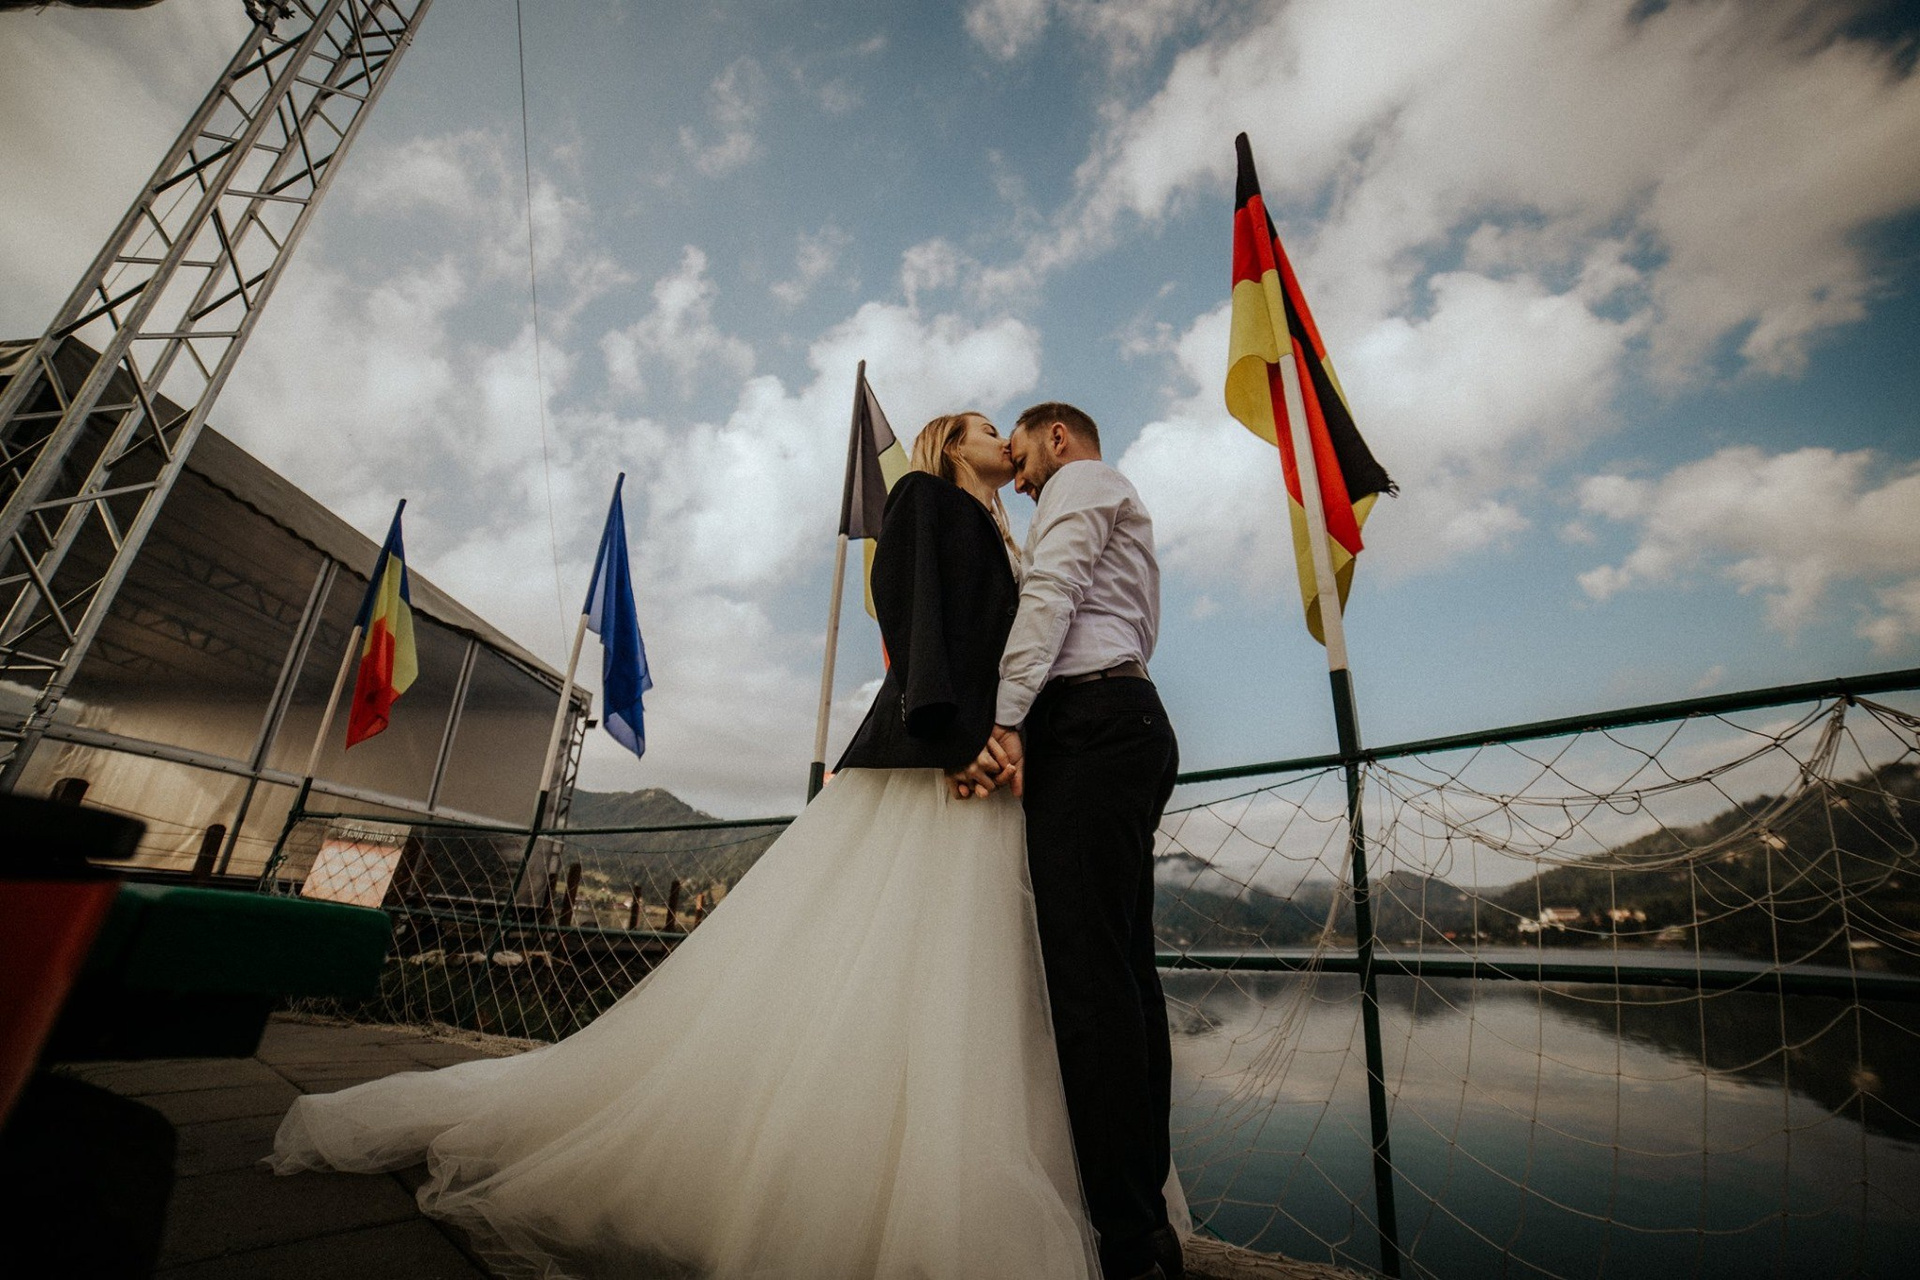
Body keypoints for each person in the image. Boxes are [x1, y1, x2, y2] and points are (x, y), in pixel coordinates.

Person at [266, 413, 1101, 1280]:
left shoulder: (1004, 533)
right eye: (987, 427)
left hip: (987, 774)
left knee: (944, 973)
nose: (1005, 439)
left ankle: (923, 1178)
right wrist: (953, 738)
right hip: (935, 760)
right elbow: (912, 615)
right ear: (949, 444)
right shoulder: (924, 496)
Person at [955, 401, 1182, 1280]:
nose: (1018, 479)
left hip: (1088, 728)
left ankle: (1127, 1243)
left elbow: (1050, 594)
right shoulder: (1117, 500)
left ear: (1057, 438)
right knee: (1126, 979)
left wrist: (1006, 719)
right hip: (1125, 718)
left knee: (1089, 989)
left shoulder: (1081, 482)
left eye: (1021, 459)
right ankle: (1144, 1218)